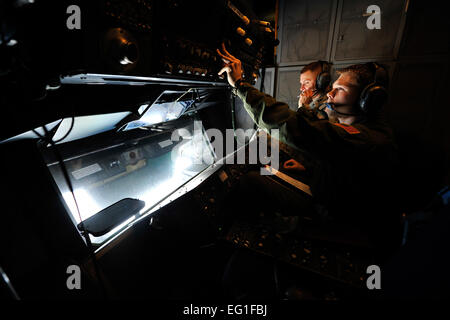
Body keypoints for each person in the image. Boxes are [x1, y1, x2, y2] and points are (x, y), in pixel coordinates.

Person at [217, 43, 399, 231]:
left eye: (341, 90)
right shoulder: (367, 130)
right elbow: (338, 159)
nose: (330, 93)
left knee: (251, 182)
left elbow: (298, 128)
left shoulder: (367, 139)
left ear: (367, 100)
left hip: (335, 213)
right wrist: (311, 166)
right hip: (331, 190)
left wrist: (239, 85)